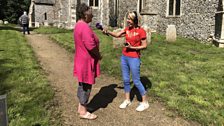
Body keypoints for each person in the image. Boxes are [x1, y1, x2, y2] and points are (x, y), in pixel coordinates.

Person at [103, 11, 149, 112]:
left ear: (135, 20)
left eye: (130, 19)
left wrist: (133, 47)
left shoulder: (141, 31)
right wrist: (108, 32)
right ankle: (127, 100)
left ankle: (145, 102)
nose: (128, 21)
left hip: (134, 58)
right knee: (125, 80)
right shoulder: (127, 29)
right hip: (124, 57)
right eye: (127, 18)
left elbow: (145, 45)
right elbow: (117, 35)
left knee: (136, 81)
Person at [73, 3, 102, 120]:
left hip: (81, 59)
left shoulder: (79, 25)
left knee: (82, 84)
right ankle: (84, 112)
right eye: (90, 12)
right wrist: (98, 55)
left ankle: (81, 107)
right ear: (85, 14)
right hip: (86, 61)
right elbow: (91, 46)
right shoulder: (84, 27)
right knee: (86, 86)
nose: (92, 15)